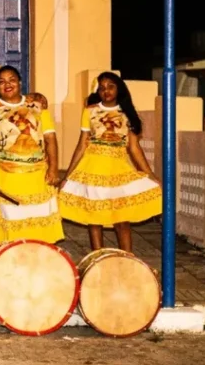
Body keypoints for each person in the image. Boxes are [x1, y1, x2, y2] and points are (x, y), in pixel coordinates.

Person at [59, 72, 162, 252]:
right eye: (102, 88)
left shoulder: (126, 112)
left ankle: (127, 258)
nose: (106, 91)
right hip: (92, 167)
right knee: (94, 218)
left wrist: (150, 174)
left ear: (118, 88)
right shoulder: (90, 111)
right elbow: (82, 144)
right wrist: (68, 175)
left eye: (110, 86)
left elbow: (134, 148)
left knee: (121, 218)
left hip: (118, 168)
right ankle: (98, 257)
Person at [0, 65, 64, 244]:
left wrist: (53, 169)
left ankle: (39, 262)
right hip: (6, 177)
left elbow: (50, 138)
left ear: (20, 82)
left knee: (39, 223)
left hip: (37, 175)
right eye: (2, 82)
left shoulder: (37, 106)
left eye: (12, 80)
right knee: (11, 225)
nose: (8, 85)